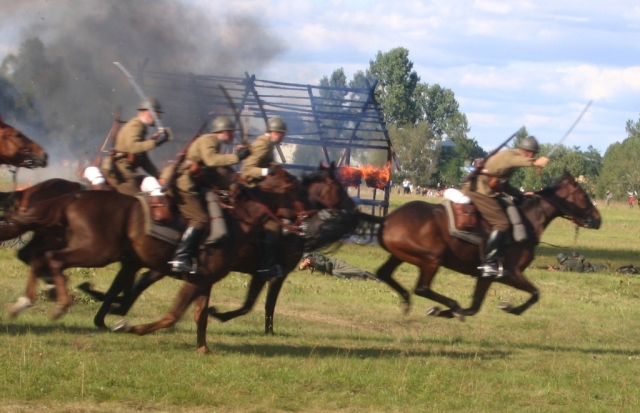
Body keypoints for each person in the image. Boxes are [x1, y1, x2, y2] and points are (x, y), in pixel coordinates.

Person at [167, 116, 250, 274]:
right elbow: (211, 161)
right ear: (224, 132)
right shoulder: (210, 140)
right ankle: (181, 257)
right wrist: (237, 157)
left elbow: (212, 174)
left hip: (194, 184)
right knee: (200, 219)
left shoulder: (214, 143)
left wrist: (233, 186)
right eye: (231, 132)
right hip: (184, 184)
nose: (233, 136)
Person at [461, 136, 549, 277]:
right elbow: (517, 161)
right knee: (501, 223)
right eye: (534, 154)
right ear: (530, 153)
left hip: (483, 188)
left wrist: (521, 195)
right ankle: (488, 264)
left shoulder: (510, 155)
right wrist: (535, 162)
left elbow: (503, 185)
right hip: (480, 190)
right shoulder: (511, 157)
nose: (534, 156)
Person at [240, 116, 287, 279]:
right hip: (252, 190)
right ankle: (265, 266)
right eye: (282, 134)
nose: (283, 137)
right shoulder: (263, 144)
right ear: (275, 133)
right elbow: (247, 169)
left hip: (259, 190)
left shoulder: (269, 145)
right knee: (273, 225)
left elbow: (267, 164)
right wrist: (267, 172)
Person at [101, 97, 170, 196]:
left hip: (126, 173)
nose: (159, 118)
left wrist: (159, 176)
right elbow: (133, 147)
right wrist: (155, 143)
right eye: (158, 114)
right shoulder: (136, 125)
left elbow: (144, 160)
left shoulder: (140, 126)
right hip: (122, 174)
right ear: (150, 113)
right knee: (140, 203)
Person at [299, 252, 380, 282]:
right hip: (333, 271)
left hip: (337, 264)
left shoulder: (317, 256)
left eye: (308, 258)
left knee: (354, 270)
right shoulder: (308, 262)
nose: (307, 260)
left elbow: (326, 264)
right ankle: (361, 279)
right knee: (341, 275)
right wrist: (302, 267)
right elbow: (299, 269)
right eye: (305, 259)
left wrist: (314, 263)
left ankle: (375, 278)